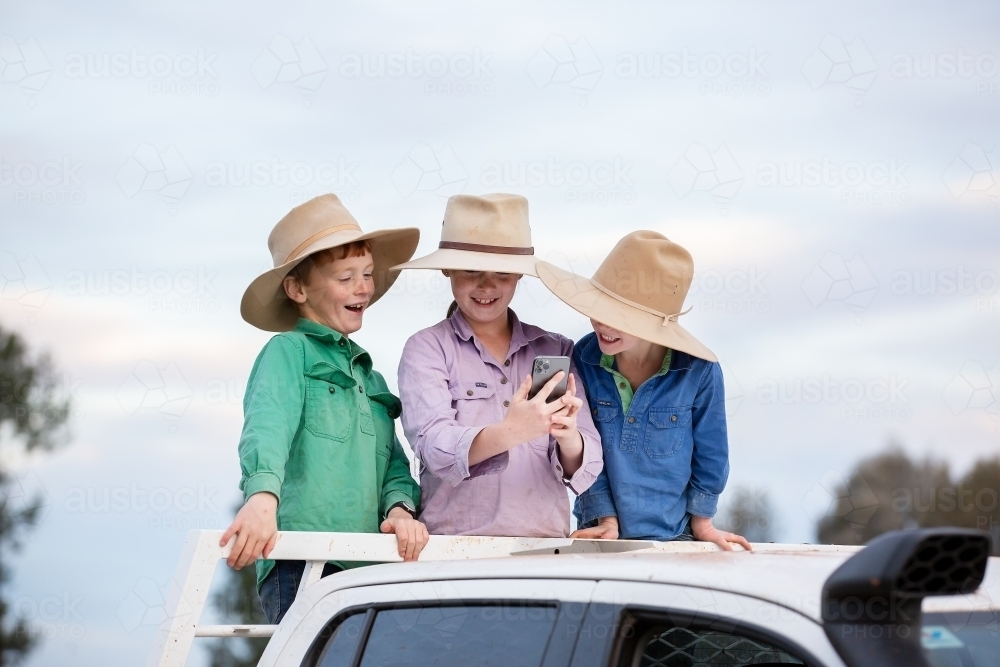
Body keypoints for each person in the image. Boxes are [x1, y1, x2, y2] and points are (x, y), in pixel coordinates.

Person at [222, 194, 428, 624]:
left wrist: (399, 510)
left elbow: (394, 464)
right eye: (345, 277)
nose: (363, 287)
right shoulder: (288, 351)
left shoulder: (371, 379)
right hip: (302, 560)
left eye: (368, 274)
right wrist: (261, 499)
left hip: (371, 566)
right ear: (297, 289)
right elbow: (268, 424)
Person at [395, 193, 603, 536]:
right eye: (471, 270)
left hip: (545, 553)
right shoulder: (427, 348)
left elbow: (586, 463)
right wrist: (511, 432)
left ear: (520, 276)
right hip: (452, 551)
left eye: (503, 273)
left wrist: (569, 438)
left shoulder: (553, 349)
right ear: (447, 268)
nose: (487, 285)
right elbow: (434, 448)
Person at [537, 230, 751, 551]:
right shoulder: (582, 359)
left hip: (677, 535)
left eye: (620, 317)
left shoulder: (700, 372)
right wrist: (605, 517)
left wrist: (703, 522)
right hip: (599, 531)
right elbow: (584, 446)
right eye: (599, 308)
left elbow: (712, 455)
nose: (603, 325)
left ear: (654, 323)